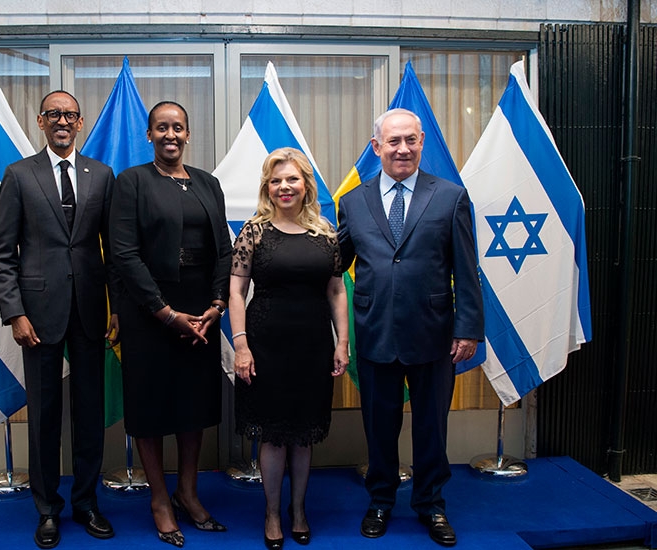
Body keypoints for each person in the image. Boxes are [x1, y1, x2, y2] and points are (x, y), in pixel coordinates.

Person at [337, 108, 484, 547]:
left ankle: (431, 505)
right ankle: (380, 501)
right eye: (393, 141)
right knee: (379, 427)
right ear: (376, 146)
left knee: (431, 428)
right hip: (375, 331)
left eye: (411, 140)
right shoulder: (353, 201)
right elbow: (333, 264)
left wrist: (469, 327)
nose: (403, 149)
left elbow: (466, 268)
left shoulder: (451, 196)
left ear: (422, 142)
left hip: (434, 334)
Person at [0, 90, 118, 549]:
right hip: (37, 316)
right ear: (41, 122)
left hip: (90, 310)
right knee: (44, 417)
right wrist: (14, 313)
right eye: (53, 115)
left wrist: (117, 306)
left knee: (89, 414)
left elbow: (115, 250)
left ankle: (86, 503)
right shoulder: (19, 175)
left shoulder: (102, 175)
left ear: (80, 123)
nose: (62, 121)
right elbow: (3, 254)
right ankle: (47, 510)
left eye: (70, 115)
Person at [109, 101, 232, 548]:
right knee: (151, 407)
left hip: (200, 311)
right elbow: (123, 254)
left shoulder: (208, 183)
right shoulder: (132, 182)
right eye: (161, 127)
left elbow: (224, 247)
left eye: (178, 127)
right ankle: (160, 499)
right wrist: (164, 313)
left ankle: (188, 492)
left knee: (193, 405)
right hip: (150, 313)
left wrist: (217, 303)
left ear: (188, 133)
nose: (170, 135)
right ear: (149, 135)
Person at [229, 147, 349, 550]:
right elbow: (236, 290)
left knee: (302, 434)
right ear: (268, 186)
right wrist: (241, 346)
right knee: (274, 435)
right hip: (266, 347)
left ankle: (299, 510)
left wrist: (343, 341)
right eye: (276, 180)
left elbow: (336, 291)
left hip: (313, 345)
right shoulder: (254, 231)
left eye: (292, 179)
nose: (284, 187)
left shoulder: (326, 233)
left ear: (305, 185)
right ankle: (272, 513)